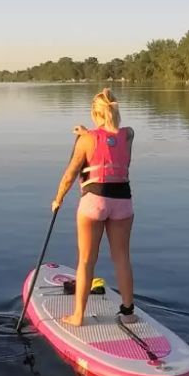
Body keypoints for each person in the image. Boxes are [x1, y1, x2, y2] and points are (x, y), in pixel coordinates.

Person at [51, 88, 136, 327]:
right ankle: (128, 313)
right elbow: (110, 139)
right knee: (122, 258)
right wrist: (88, 132)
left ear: (93, 112)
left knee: (87, 260)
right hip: (122, 202)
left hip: (94, 202)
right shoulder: (129, 135)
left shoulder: (86, 140)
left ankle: (78, 316)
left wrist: (58, 199)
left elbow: (70, 174)